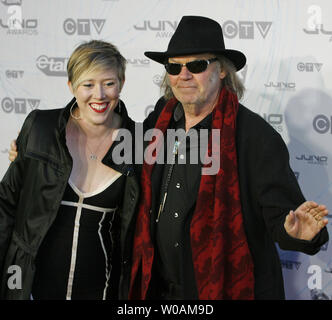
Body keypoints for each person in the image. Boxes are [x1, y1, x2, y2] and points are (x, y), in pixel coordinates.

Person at [127, 16, 329, 300]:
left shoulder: (256, 138)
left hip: (222, 290)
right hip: (159, 290)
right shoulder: (160, 120)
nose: (183, 75)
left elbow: (285, 218)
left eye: (196, 65)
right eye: (174, 67)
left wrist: (299, 233)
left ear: (221, 70)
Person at [0, 40, 140, 300]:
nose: (99, 95)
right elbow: (6, 205)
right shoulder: (41, 127)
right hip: (28, 289)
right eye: (88, 84)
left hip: (103, 292)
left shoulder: (137, 142)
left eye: (108, 83)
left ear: (121, 84)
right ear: (71, 86)